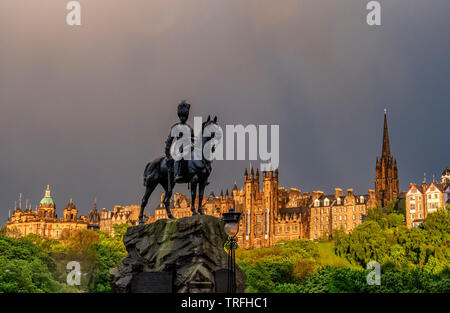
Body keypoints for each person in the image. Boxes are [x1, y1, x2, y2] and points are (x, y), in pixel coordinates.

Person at [165, 100, 194, 183]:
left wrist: (193, 145)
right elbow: (169, 141)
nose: (183, 118)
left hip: (188, 148)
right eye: (181, 116)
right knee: (178, 158)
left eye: (184, 116)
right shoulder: (176, 127)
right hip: (178, 148)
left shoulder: (190, 128)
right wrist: (168, 154)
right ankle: (176, 175)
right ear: (179, 116)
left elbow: (193, 140)